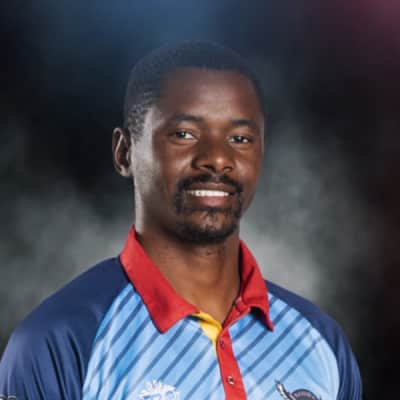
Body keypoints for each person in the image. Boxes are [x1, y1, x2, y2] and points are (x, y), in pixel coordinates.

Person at [0, 42, 362, 400]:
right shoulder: (59, 342)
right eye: (184, 134)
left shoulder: (321, 344)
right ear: (124, 153)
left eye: (240, 138)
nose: (217, 158)